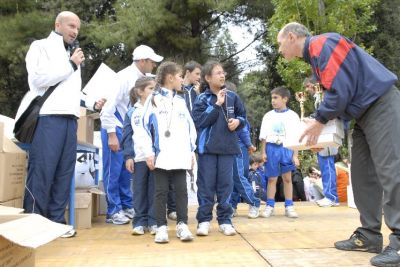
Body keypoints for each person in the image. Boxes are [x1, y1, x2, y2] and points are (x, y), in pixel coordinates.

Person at [277, 22, 400, 266]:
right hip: (363, 114)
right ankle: (369, 234)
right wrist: (321, 135)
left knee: (391, 171)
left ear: (292, 37)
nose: (280, 50)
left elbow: (340, 89)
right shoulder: (315, 56)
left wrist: (320, 120)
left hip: (380, 105)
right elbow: (343, 92)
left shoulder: (323, 43)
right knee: (362, 175)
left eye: (280, 44)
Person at [22, 11, 104, 238]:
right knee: (42, 172)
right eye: (71, 25)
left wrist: (91, 103)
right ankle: (33, 222)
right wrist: (70, 64)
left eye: (77, 27)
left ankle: (56, 222)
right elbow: (37, 80)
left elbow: (71, 92)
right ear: (57, 24)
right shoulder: (41, 47)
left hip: (70, 119)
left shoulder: (72, 54)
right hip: (48, 118)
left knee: (63, 173)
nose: (75, 31)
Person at [100, 45, 163, 225]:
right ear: (142, 61)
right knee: (113, 171)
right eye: (151, 62)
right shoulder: (123, 77)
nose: (153, 66)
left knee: (125, 170)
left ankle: (127, 205)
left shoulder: (141, 78)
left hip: (127, 129)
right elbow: (108, 108)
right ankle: (113, 210)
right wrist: (111, 134)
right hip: (114, 126)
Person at [139, 61, 196, 243]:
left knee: (181, 190)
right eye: (180, 76)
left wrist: (191, 151)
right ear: (170, 77)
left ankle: (182, 224)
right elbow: (143, 127)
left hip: (180, 154)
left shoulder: (180, 101)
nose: (182, 80)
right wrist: (148, 152)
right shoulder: (153, 99)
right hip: (161, 154)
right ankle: (161, 227)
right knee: (161, 191)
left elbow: (190, 128)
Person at [192, 61, 246, 236]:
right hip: (207, 149)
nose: (222, 76)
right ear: (207, 78)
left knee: (226, 186)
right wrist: (216, 105)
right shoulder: (201, 99)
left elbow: (242, 116)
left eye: (223, 73)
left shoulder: (233, 96)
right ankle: (204, 220)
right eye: (218, 73)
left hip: (228, 148)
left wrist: (238, 122)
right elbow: (200, 122)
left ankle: (225, 220)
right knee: (206, 186)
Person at [122, 77, 157, 235]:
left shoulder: (157, 109)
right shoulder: (131, 111)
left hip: (155, 157)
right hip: (138, 158)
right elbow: (127, 135)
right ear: (140, 92)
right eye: (150, 88)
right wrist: (128, 156)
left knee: (155, 190)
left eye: (154, 89)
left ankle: (153, 221)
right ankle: (139, 222)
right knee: (139, 190)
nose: (153, 92)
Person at [259, 86, 300, 218]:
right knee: (271, 178)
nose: (273, 101)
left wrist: (295, 155)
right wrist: (263, 152)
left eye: (276, 98)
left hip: (287, 148)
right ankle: (270, 205)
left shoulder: (293, 116)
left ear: (285, 99)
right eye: (272, 98)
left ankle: (289, 206)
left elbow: (296, 137)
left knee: (287, 178)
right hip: (272, 148)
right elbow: (263, 136)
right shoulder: (268, 116)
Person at [230, 119, 260, 218]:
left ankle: (254, 203)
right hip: (226, 147)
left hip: (239, 147)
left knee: (239, 177)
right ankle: (232, 206)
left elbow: (243, 129)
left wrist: (248, 144)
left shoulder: (236, 107)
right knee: (231, 178)